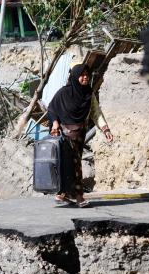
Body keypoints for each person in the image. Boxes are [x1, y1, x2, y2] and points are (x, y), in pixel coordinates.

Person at [46, 64, 113, 207]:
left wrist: (105, 129)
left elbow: (96, 113)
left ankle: (63, 194)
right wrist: (55, 124)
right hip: (64, 135)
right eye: (82, 75)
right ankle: (78, 197)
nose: (85, 77)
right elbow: (52, 109)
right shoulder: (63, 93)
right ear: (75, 76)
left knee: (71, 164)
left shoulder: (88, 94)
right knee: (72, 164)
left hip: (80, 135)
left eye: (87, 75)